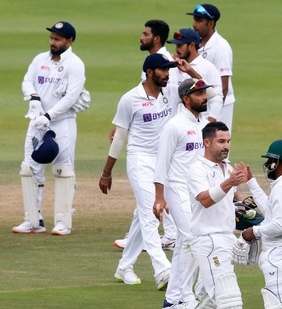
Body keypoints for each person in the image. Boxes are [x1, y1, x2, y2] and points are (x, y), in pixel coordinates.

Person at [98, 54, 184, 290]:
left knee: (141, 214)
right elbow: (120, 138)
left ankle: (124, 267)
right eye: (163, 70)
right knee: (150, 212)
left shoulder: (172, 92)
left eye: (169, 70)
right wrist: (107, 173)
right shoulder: (130, 99)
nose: (168, 74)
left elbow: (210, 94)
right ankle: (163, 271)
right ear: (149, 72)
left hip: (164, 161)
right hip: (140, 160)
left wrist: (191, 71)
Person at [13, 21, 86, 236]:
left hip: (62, 123)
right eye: (52, 38)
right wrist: (34, 99)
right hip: (36, 122)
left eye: (58, 39)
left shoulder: (75, 64)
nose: (53, 42)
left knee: (63, 170)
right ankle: (33, 220)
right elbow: (27, 81)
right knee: (30, 168)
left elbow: (72, 97)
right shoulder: (40, 59)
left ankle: (63, 221)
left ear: (69, 41)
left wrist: (49, 115)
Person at [113, 19, 178, 251]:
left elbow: (175, 96)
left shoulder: (165, 63)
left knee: (156, 195)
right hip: (151, 138)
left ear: (156, 38)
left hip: (161, 139)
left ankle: (169, 237)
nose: (141, 37)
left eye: (145, 33)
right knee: (148, 197)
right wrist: (124, 123)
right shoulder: (154, 62)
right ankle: (131, 248)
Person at [152, 78, 212, 308]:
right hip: (175, 188)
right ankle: (184, 295)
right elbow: (161, 163)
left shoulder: (204, 123)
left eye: (204, 93)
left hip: (196, 191)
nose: (204, 97)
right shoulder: (174, 125)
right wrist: (159, 197)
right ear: (186, 99)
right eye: (199, 94)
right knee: (190, 238)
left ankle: (172, 298)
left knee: (185, 243)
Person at [241, 139, 282, 309]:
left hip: (280, 254)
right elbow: (270, 210)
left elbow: (279, 225)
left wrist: (253, 232)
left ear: (278, 162)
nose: (268, 164)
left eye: (270, 160)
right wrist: (251, 181)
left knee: (279, 305)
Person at [186, 121, 244, 309]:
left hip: (228, 238)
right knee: (229, 300)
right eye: (221, 141)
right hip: (208, 240)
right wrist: (229, 182)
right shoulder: (197, 169)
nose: (226, 146)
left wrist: (246, 209)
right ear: (207, 142)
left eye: (228, 141)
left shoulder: (227, 168)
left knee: (209, 301)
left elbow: (232, 198)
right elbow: (205, 200)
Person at [188, 4, 235, 132]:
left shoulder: (221, 47)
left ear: (211, 24)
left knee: (217, 146)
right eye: (194, 20)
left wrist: (214, 117)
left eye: (199, 21)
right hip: (203, 103)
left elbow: (223, 88)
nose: (194, 24)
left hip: (219, 107)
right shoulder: (198, 43)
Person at [167, 28, 223, 123]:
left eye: (180, 45)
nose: (177, 49)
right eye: (176, 45)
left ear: (192, 45)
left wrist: (210, 123)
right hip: (180, 123)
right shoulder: (174, 66)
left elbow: (216, 98)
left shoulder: (208, 67)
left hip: (200, 122)